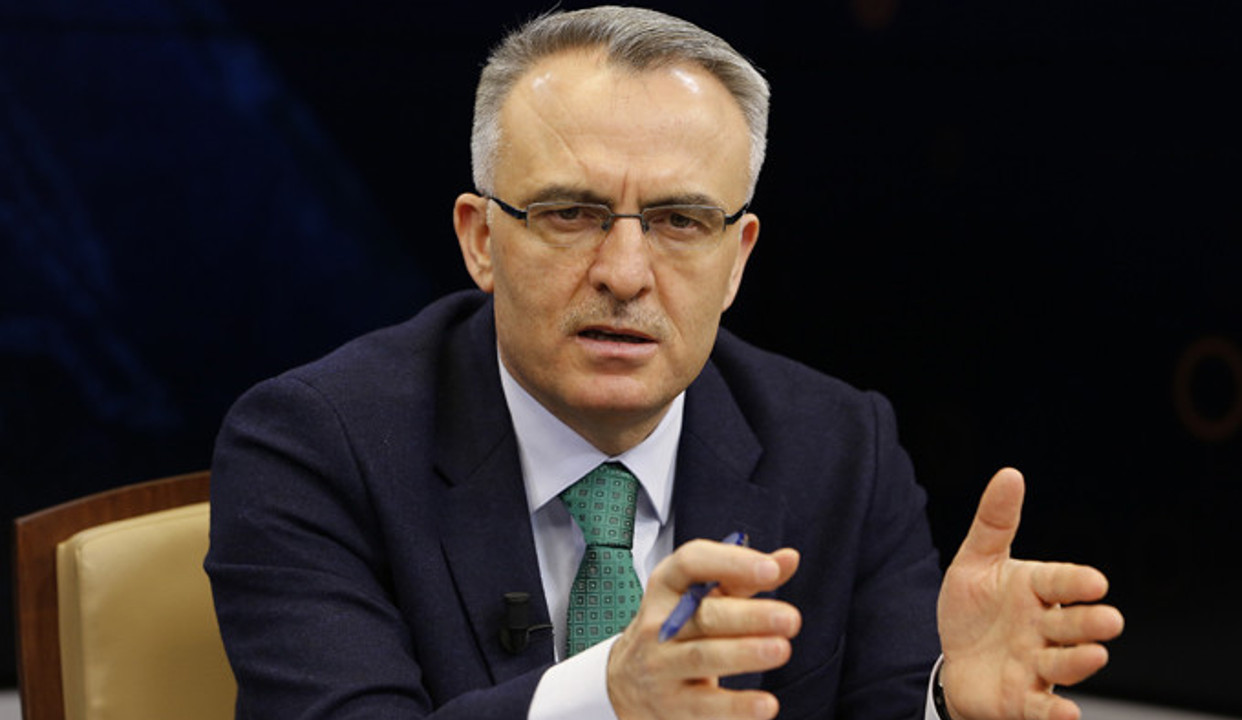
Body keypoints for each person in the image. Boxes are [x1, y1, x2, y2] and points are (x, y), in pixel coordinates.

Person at [205, 6, 1124, 720]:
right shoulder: (314, 445)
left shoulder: (842, 446)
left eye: (680, 222)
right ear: (481, 239)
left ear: (738, 259)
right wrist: (609, 695)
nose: (625, 273)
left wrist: (948, 705)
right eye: (570, 213)